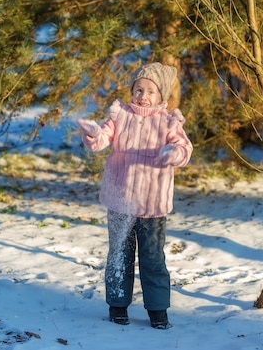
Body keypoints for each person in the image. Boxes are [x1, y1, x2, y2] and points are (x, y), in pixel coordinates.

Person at [77, 62, 193, 329]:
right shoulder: (120, 115)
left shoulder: (168, 121)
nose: (143, 95)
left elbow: (184, 147)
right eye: (139, 89)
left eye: (150, 91)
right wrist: (94, 134)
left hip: (152, 205)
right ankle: (118, 305)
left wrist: (174, 153)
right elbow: (103, 139)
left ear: (161, 96)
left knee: (152, 258)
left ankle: (157, 310)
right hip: (121, 200)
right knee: (119, 254)